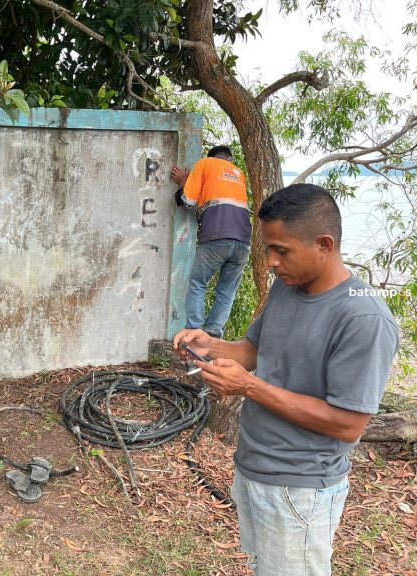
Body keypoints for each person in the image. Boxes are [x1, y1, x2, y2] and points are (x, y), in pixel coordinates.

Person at [174, 183, 399, 576]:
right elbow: (255, 350)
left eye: (282, 250)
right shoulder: (288, 287)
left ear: (324, 244)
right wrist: (211, 345)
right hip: (254, 466)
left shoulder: (363, 318)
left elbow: (348, 424)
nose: (271, 262)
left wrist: (249, 386)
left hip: (301, 487)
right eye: (268, 249)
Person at [171, 145, 251, 338]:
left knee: (198, 283)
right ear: (229, 159)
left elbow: (187, 201)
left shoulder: (205, 164)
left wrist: (184, 184)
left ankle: (195, 332)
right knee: (227, 291)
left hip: (216, 236)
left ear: (211, 157)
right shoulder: (238, 173)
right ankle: (214, 334)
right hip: (243, 241)